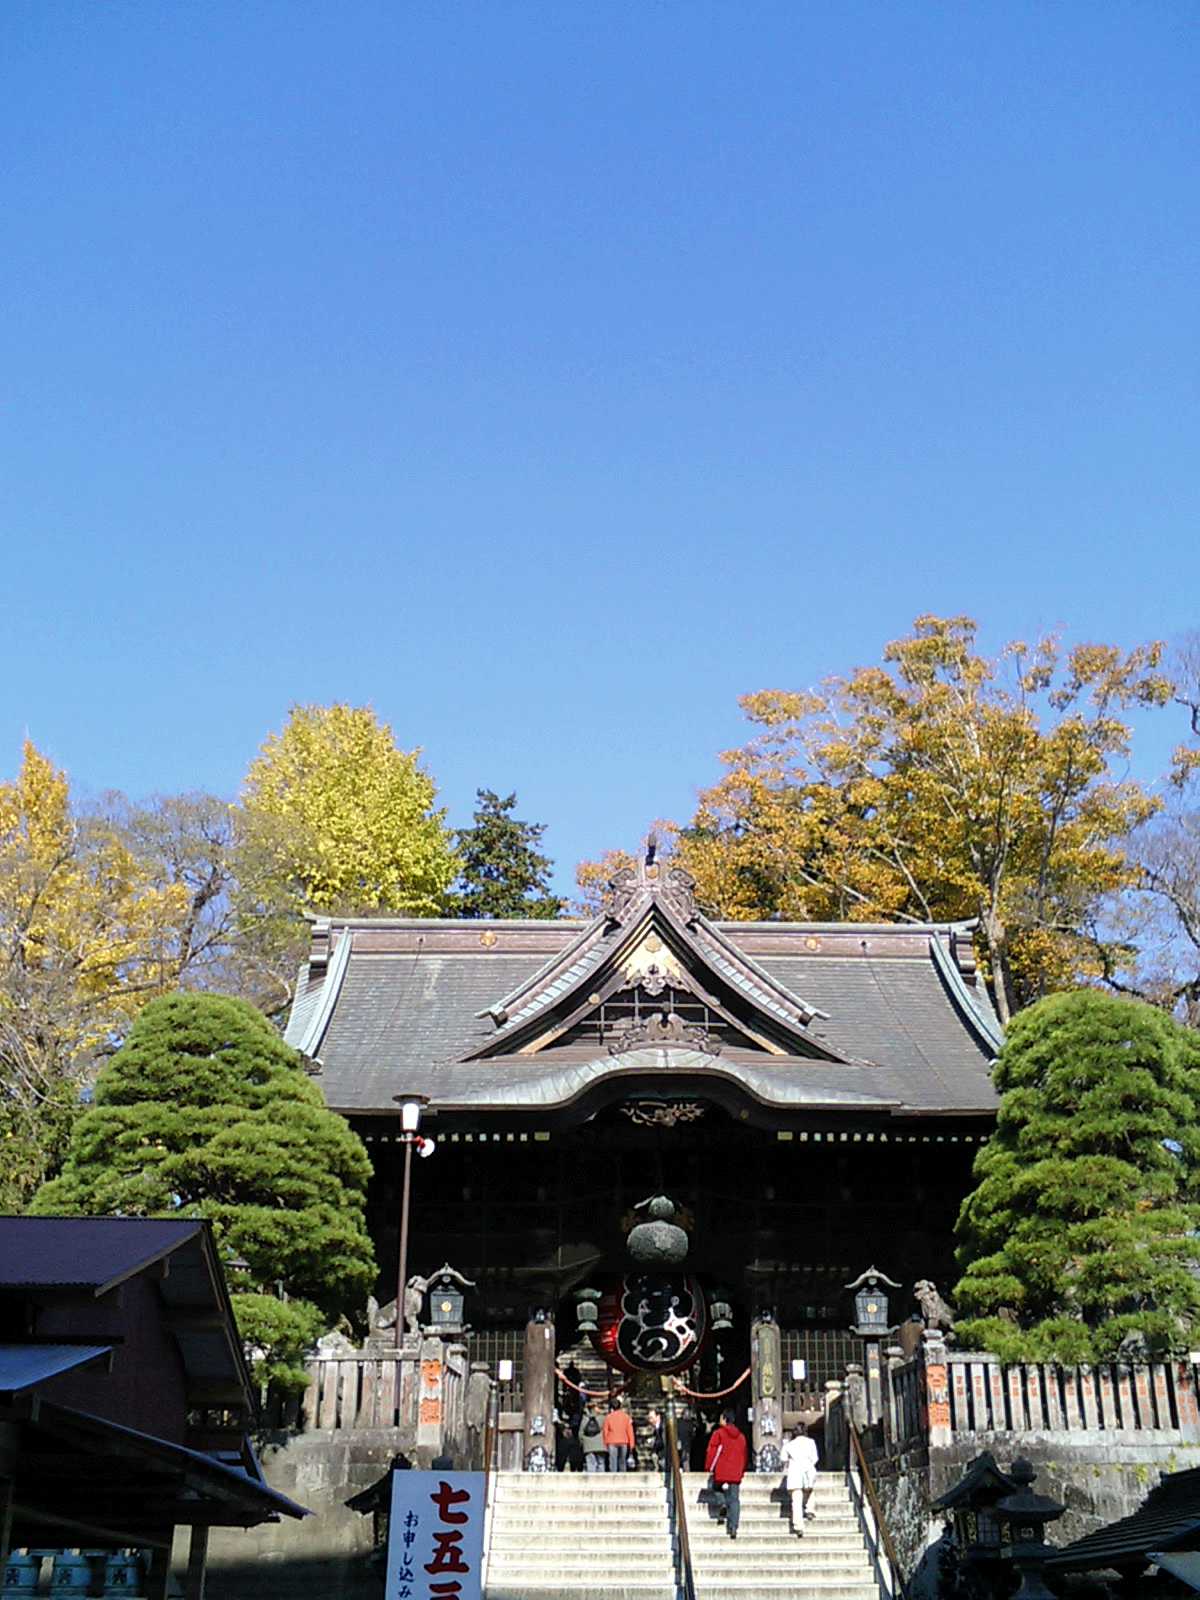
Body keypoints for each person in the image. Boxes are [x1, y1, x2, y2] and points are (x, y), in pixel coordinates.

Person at [704, 1409, 748, 1539]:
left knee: (716, 1488)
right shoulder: (741, 1436)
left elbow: (713, 1451)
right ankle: (733, 1527)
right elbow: (744, 1455)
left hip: (722, 1470)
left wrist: (709, 1467)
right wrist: (742, 1470)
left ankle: (722, 1502)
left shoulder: (719, 1434)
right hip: (736, 1472)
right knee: (735, 1499)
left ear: (724, 1419)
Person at [781, 1422, 819, 1534]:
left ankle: (798, 1526)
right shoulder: (811, 1442)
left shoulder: (789, 1444)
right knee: (810, 1490)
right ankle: (810, 1509)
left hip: (795, 1472)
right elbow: (815, 1458)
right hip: (808, 1469)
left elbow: (783, 1458)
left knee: (796, 1500)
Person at [603, 1397, 635, 1473]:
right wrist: (632, 1445)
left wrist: (605, 1443)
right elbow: (630, 1431)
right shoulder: (626, 1417)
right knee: (622, 1461)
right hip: (623, 1441)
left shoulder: (608, 1417)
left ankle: (613, 1479)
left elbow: (605, 1431)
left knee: (613, 1462)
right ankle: (622, 1479)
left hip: (612, 1441)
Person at [579, 1402, 606, 1471]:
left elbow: (581, 1432)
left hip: (588, 1445)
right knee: (601, 1463)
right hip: (601, 1444)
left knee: (591, 1463)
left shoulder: (585, 1418)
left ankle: (592, 1480)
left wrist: (582, 1442)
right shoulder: (602, 1418)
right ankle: (600, 1480)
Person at [647, 1407, 665, 1472]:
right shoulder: (656, 1427)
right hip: (660, 1454)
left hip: (664, 1455)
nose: (650, 1420)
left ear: (658, 1417)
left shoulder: (663, 1426)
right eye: (649, 1418)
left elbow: (663, 1441)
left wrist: (653, 1442)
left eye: (651, 1418)